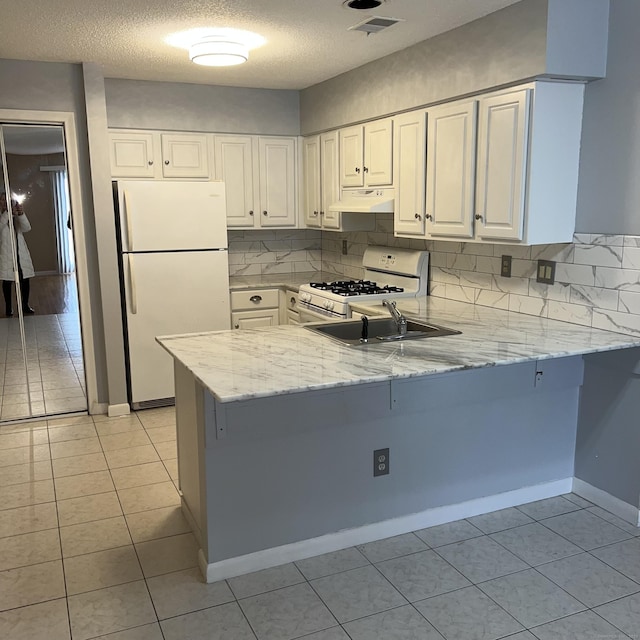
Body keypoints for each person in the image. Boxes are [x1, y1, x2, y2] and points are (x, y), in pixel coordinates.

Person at [0, 192, 35, 317]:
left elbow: (27, 228)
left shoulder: (16, 217)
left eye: (7, 200)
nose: (5, 202)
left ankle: (25, 305)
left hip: (20, 253)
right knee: (7, 281)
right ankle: (9, 308)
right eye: (2, 200)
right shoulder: (3, 217)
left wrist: (21, 214)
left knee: (25, 279)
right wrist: (7, 214)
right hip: (6, 254)